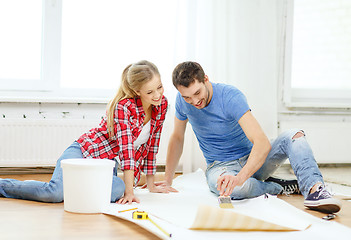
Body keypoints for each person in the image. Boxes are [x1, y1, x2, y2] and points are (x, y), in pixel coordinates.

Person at [162, 61, 341, 214]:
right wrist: (168, 180)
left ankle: (315, 189)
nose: (194, 102)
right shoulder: (181, 101)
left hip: (252, 160)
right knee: (229, 188)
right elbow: (177, 138)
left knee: (295, 135)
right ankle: (276, 187)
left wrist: (241, 176)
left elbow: (262, 143)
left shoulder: (230, 96)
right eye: (187, 97)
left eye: (197, 93)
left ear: (206, 79)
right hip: (221, 167)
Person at [0, 60, 171, 204]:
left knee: (117, 188)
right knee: (54, 194)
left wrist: (150, 185)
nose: (157, 95)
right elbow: (127, 153)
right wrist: (130, 193)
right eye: (150, 92)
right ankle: (4, 186)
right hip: (83, 152)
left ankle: (71, 187)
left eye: (160, 87)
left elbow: (152, 146)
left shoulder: (161, 105)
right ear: (137, 91)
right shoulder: (124, 107)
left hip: (104, 165)